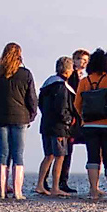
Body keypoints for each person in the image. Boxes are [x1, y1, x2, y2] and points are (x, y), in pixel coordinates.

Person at [0, 42, 38, 199]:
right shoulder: (25, 74)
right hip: (21, 117)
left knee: (3, 153)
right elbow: (32, 98)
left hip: (0, 116)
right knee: (18, 154)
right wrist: (32, 115)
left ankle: (2, 191)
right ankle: (18, 192)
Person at [73, 48, 107, 200]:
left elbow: (77, 103)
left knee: (92, 157)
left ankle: (94, 190)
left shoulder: (84, 82)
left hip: (89, 125)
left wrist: (84, 117)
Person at [44, 49, 88, 194]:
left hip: (73, 119)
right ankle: (55, 183)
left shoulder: (86, 78)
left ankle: (61, 181)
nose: (84, 62)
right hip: (65, 120)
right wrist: (69, 119)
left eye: (86, 60)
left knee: (63, 152)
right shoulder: (64, 81)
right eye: (81, 59)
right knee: (59, 152)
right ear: (74, 60)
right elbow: (63, 103)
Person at [36, 56, 78, 197]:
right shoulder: (61, 86)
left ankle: (40, 184)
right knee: (60, 156)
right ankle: (55, 187)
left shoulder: (47, 84)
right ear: (67, 70)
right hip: (58, 127)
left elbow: (40, 104)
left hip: (46, 124)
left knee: (48, 155)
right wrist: (68, 121)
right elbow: (61, 108)